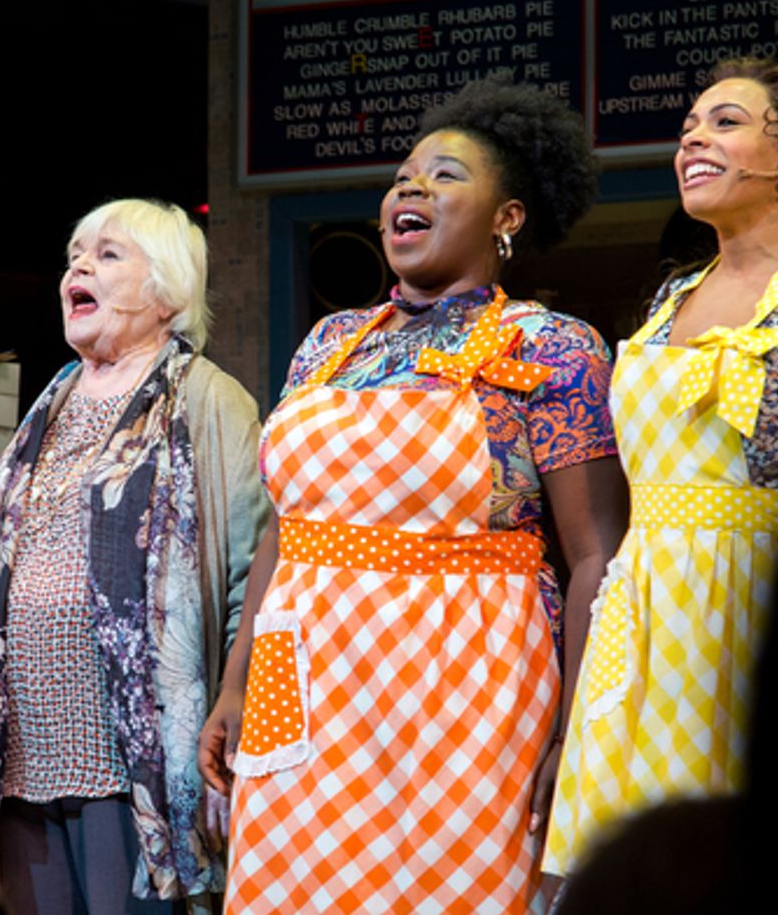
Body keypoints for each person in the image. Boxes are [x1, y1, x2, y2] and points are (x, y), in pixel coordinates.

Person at [199, 80, 627, 914]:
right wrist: (234, 683)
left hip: (469, 683)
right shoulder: (328, 344)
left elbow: (593, 556)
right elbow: (284, 537)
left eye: (443, 176)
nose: (410, 189)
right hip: (310, 680)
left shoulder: (555, 347)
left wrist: (575, 731)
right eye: (402, 177)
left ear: (507, 217)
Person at [543, 59, 778, 877]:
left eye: (725, 122)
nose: (693, 139)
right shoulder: (668, 299)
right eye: (687, 129)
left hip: (756, 608)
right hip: (642, 614)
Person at [0, 198, 267, 913]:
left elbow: (253, 572)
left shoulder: (209, 400)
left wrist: (237, 696)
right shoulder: (50, 402)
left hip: (133, 757)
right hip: (24, 753)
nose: (80, 265)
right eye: (74, 253)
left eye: (108, 252)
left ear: (168, 293)